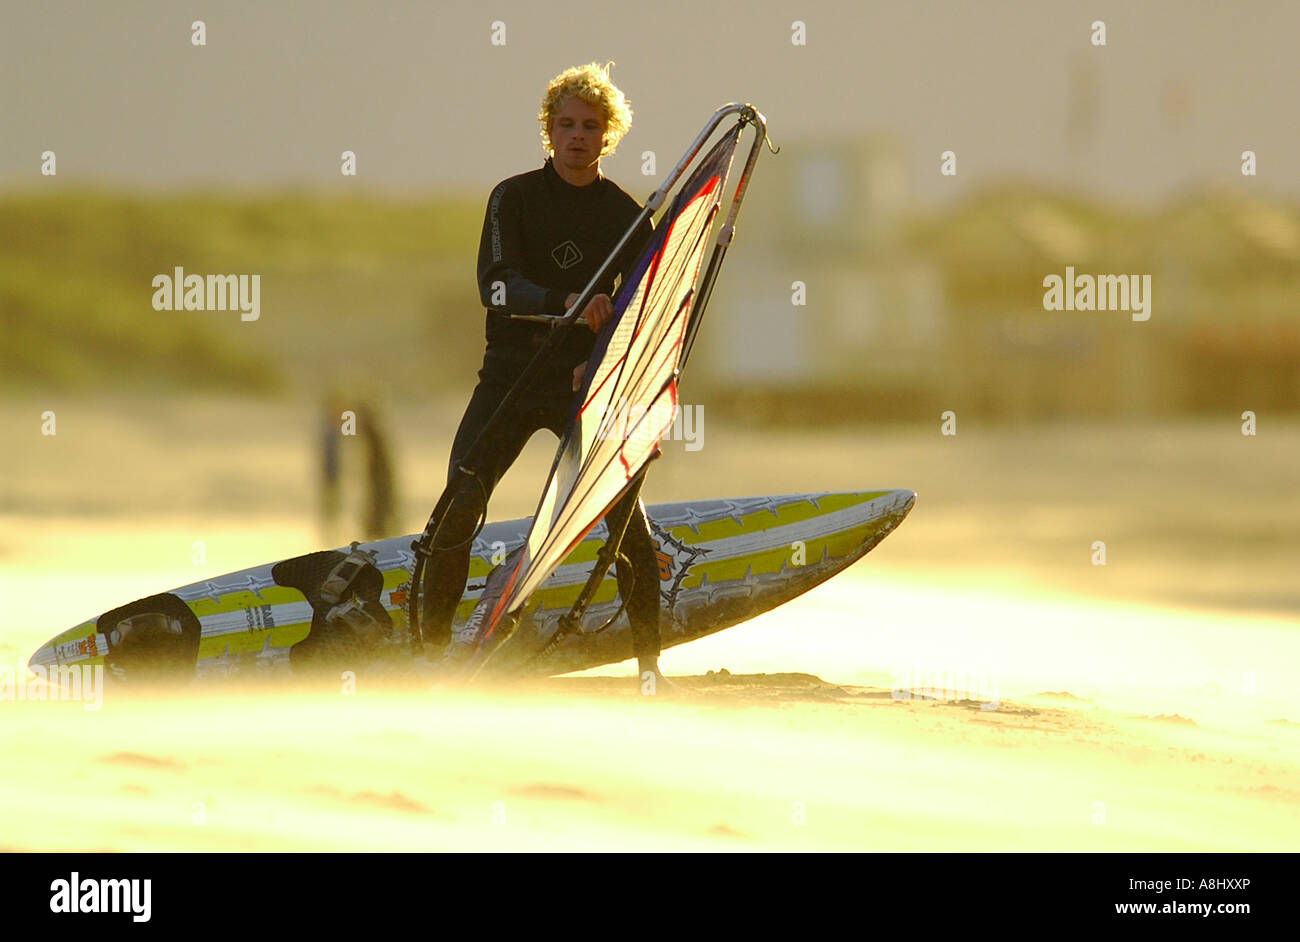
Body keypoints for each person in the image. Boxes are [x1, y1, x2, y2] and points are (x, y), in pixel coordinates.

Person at [421, 62, 674, 693]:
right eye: (566, 124)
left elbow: (644, 310)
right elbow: (495, 285)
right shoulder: (513, 198)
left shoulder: (625, 217)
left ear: (608, 134)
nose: (577, 136)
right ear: (549, 130)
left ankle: (651, 669)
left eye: (591, 126)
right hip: (511, 374)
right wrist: (565, 301)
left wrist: (602, 360)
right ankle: (429, 657)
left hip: (581, 385)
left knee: (622, 512)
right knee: (460, 499)